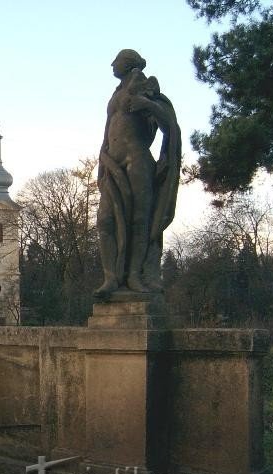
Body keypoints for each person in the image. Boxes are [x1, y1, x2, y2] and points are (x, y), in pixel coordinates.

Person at [94, 49, 181, 298]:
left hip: (138, 160)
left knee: (139, 221)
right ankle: (112, 277)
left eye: (117, 60)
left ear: (128, 63)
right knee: (105, 220)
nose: (112, 64)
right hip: (113, 162)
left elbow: (169, 127)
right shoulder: (116, 93)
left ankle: (134, 275)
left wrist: (147, 104)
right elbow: (107, 130)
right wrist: (102, 163)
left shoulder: (145, 86)